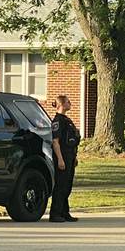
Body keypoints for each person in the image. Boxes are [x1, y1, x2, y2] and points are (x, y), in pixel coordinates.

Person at [50, 94, 80, 223]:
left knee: (67, 186)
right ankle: (55, 214)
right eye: (68, 102)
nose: (70, 103)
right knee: (60, 186)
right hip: (62, 157)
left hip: (70, 156)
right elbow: (55, 142)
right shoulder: (58, 121)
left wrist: (74, 157)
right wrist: (60, 160)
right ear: (61, 104)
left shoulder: (67, 120)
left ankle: (64, 212)